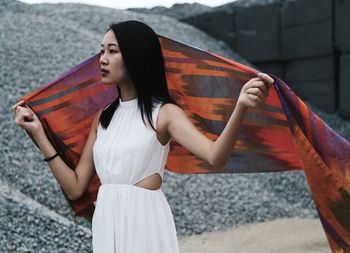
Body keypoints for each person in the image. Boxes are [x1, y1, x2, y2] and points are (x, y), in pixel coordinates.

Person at [11, 20, 274, 253]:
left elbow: (215, 156)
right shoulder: (103, 117)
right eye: (102, 50)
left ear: (136, 56)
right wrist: (39, 134)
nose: (102, 59)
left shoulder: (165, 114)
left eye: (112, 51)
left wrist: (240, 107)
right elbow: (76, 187)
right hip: (107, 220)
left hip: (144, 221)